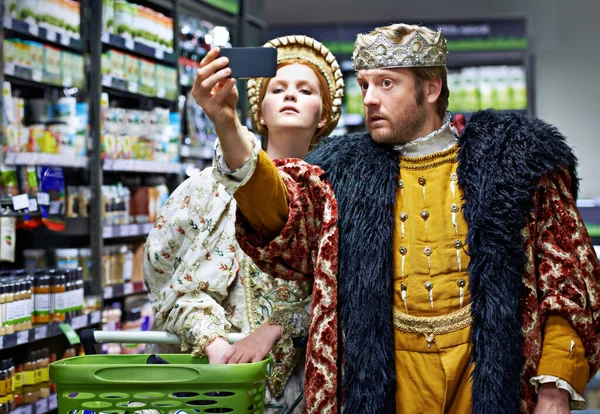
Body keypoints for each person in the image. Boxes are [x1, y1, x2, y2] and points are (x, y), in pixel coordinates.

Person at [197, 23, 600, 414]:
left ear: (431, 88)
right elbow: (284, 218)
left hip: (485, 375)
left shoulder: (513, 163)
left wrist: (554, 387)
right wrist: (227, 124)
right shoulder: (343, 171)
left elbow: (566, 279)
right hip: (392, 380)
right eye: (365, 85)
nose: (370, 99)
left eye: (386, 84)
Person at [143, 35, 344, 410]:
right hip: (217, 385)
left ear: (324, 114)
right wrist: (214, 342)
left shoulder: (341, 194)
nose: (290, 96)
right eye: (278, 88)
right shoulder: (206, 190)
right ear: (260, 110)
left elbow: (341, 293)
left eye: (305, 89)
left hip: (306, 387)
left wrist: (278, 327)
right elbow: (167, 280)